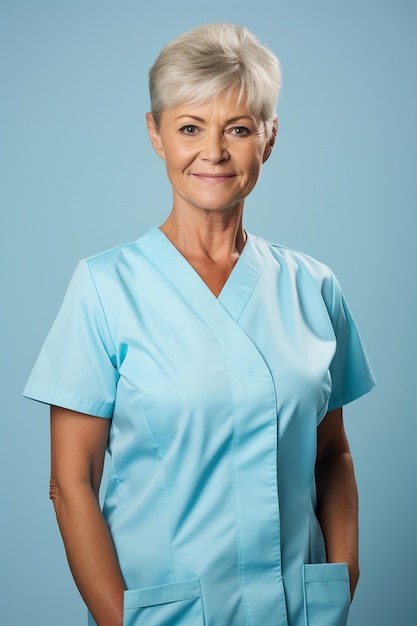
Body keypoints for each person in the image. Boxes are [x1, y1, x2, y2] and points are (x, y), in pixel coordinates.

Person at [23, 22, 375, 626]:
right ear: (156, 135)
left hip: (300, 612)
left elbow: (332, 456)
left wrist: (342, 576)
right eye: (190, 128)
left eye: (237, 129)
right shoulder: (104, 288)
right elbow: (71, 482)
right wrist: (118, 620)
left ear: (269, 139)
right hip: (163, 614)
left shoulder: (313, 286)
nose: (213, 152)